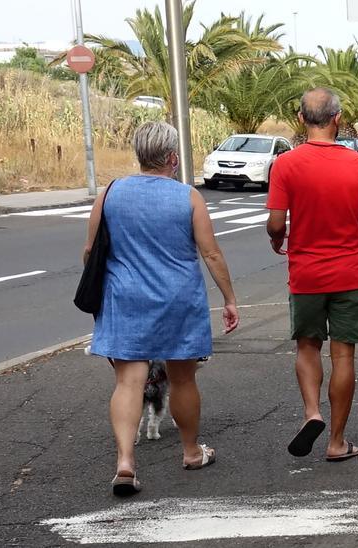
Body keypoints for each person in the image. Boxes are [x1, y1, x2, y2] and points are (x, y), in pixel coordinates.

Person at [85, 120, 240, 496]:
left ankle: (125, 462)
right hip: (178, 300)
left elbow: (90, 251)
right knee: (183, 378)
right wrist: (229, 299)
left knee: (128, 381)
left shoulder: (111, 193)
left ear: (139, 155)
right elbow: (211, 253)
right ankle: (190, 451)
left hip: (124, 299)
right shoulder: (188, 197)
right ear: (172, 157)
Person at [267, 88, 358, 463]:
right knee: (344, 355)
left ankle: (311, 412)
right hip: (350, 272)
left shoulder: (285, 164)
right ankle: (336, 441)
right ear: (338, 118)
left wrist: (277, 238)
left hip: (306, 273)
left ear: (301, 119)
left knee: (306, 346)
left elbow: (275, 222)